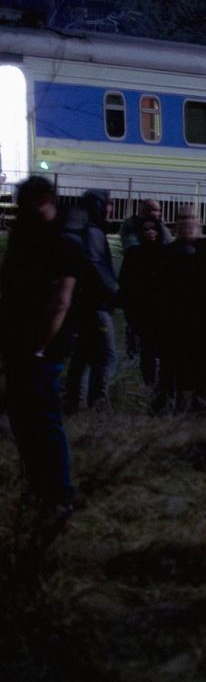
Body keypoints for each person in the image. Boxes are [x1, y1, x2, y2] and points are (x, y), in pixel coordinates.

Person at [2, 177, 85, 511]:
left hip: (40, 343)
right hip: (22, 339)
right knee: (28, 417)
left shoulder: (61, 242)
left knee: (41, 417)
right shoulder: (31, 236)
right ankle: (42, 487)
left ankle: (56, 491)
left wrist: (40, 344)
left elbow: (60, 301)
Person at [151, 211, 206, 414]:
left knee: (199, 369)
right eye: (184, 225)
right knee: (174, 369)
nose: (188, 228)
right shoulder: (170, 254)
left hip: (201, 321)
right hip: (177, 321)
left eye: (191, 224)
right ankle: (173, 407)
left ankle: (197, 408)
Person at [61, 189, 118, 412]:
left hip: (83, 304)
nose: (111, 209)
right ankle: (98, 404)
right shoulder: (93, 232)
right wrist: (113, 291)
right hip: (97, 305)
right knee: (106, 355)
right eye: (108, 204)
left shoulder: (81, 229)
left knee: (83, 354)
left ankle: (73, 402)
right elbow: (97, 266)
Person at [117, 218, 167, 385]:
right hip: (142, 309)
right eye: (146, 230)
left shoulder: (165, 253)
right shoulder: (134, 254)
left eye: (153, 229)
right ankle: (150, 382)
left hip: (161, 308)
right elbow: (125, 282)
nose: (150, 232)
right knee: (147, 349)